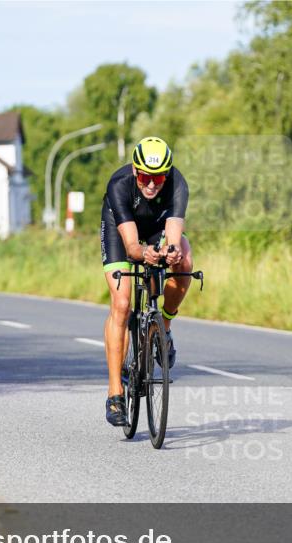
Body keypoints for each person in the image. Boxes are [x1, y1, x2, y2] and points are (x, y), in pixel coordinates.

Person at [99, 136, 194, 426]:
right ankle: (115, 391)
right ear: (135, 171)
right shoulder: (120, 185)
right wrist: (145, 254)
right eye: (144, 177)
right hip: (122, 229)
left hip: (156, 228)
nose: (151, 184)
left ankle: (162, 327)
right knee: (123, 302)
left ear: (167, 174)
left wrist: (171, 252)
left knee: (186, 260)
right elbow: (131, 248)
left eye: (158, 178)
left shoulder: (178, 184)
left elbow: (174, 235)